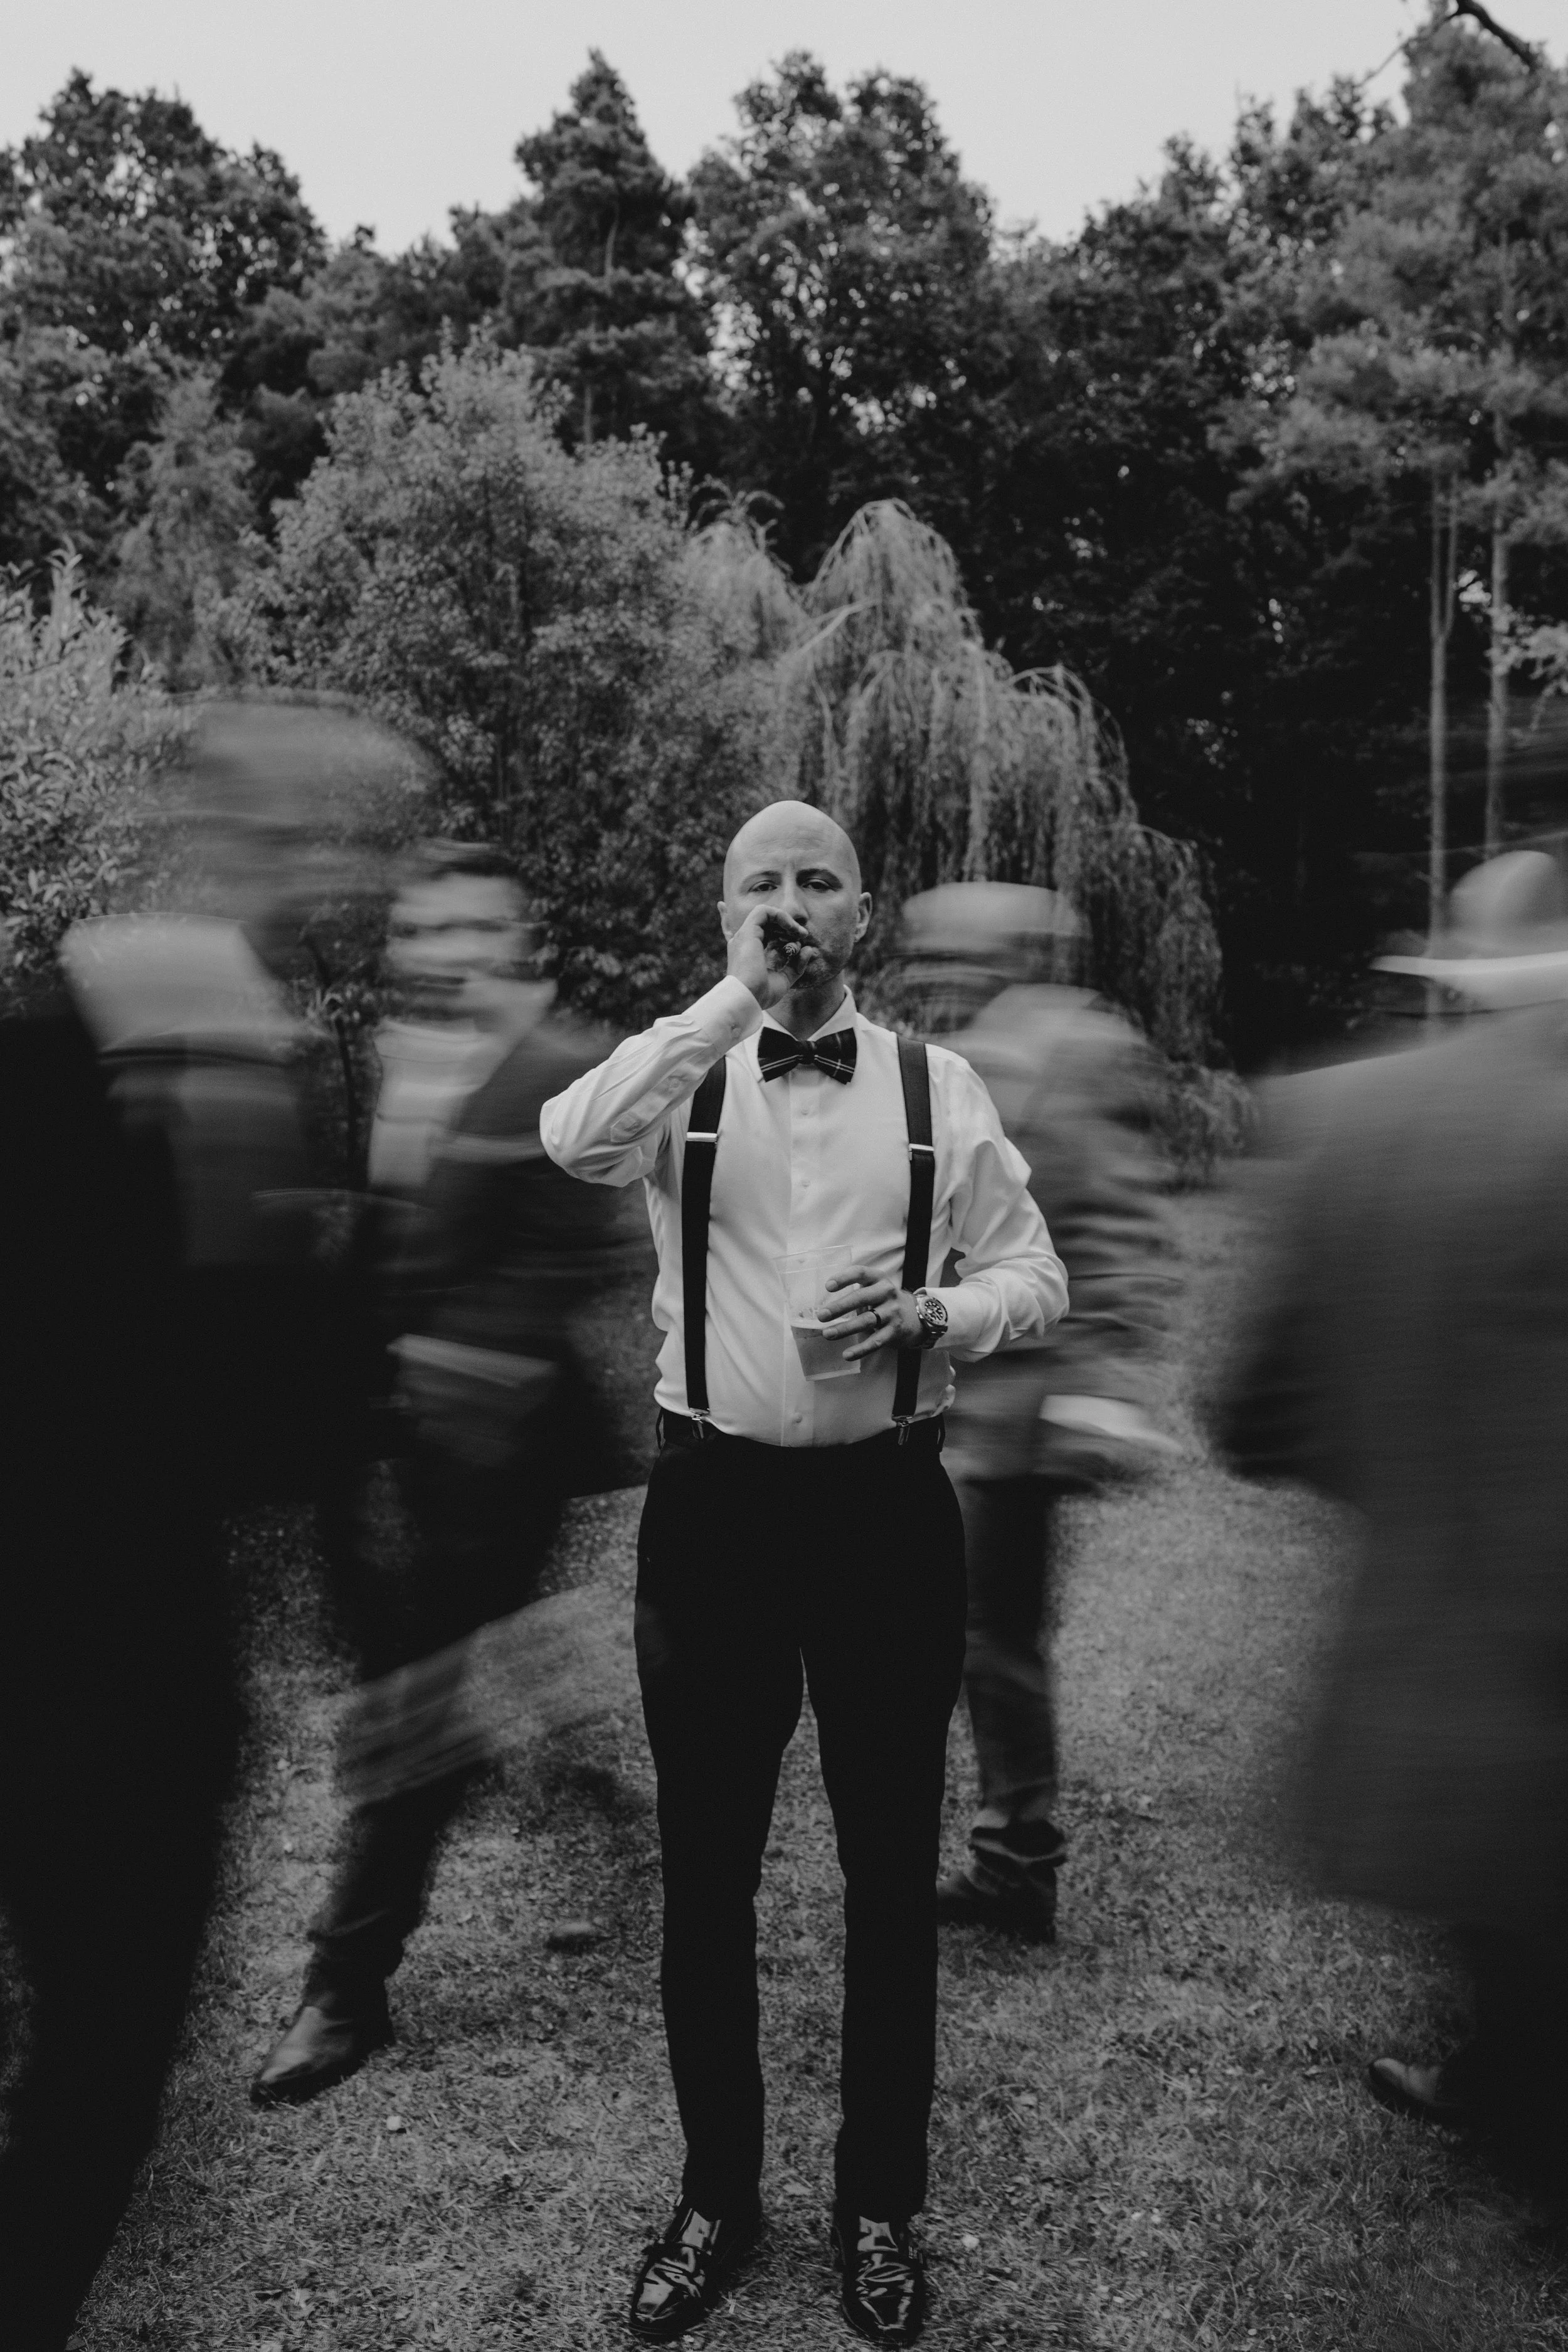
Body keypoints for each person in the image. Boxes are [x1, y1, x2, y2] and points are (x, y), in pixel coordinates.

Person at [541, 802, 1066, 2348]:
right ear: (726, 912)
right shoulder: (680, 1076)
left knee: (887, 1879)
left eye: (814, 881)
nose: (789, 903)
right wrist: (724, 1008)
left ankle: (879, 2206)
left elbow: (1034, 1272)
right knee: (705, 1875)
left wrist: (933, 1316)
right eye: (759, 884)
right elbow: (570, 1141)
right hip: (711, 1515)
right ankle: (716, 2198)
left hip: (886, 1520)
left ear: (862, 911)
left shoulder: (937, 1085)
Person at [1216, 848, 1568, 2203]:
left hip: (1460, 1617)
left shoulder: (1349, 1120)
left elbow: (1262, 1409)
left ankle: (1508, 2090)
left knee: (1502, 1866)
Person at [251, 839, 620, 2106]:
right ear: (399, 944)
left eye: (478, 928)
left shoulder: (561, 1070)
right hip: (371, 1451)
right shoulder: (373, 1063)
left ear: (518, 939)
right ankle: (570, 1746)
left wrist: (451, 1371)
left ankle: (344, 1986)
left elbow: (578, 1258)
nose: (451, 951)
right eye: (428, 929)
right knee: (413, 1679)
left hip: (496, 1456)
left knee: (417, 1715)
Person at [0, 959, 237, 2352]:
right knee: (93, 2085)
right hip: (89, 1698)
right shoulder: (55, 1087)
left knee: (95, 2087)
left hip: (119, 1693)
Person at [898, 884, 1175, 1944]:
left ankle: (1018, 1862)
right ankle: (1011, 1847)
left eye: (947, 953)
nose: (930, 973)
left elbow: (1116, 1221)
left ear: (1005, 950)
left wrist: (1102, 1386)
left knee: (992, 1636)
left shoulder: (1076, 1045)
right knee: (981, 1632)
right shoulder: (976, 1049)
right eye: (926, 957)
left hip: (1029, 1409)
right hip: (974, 1398)